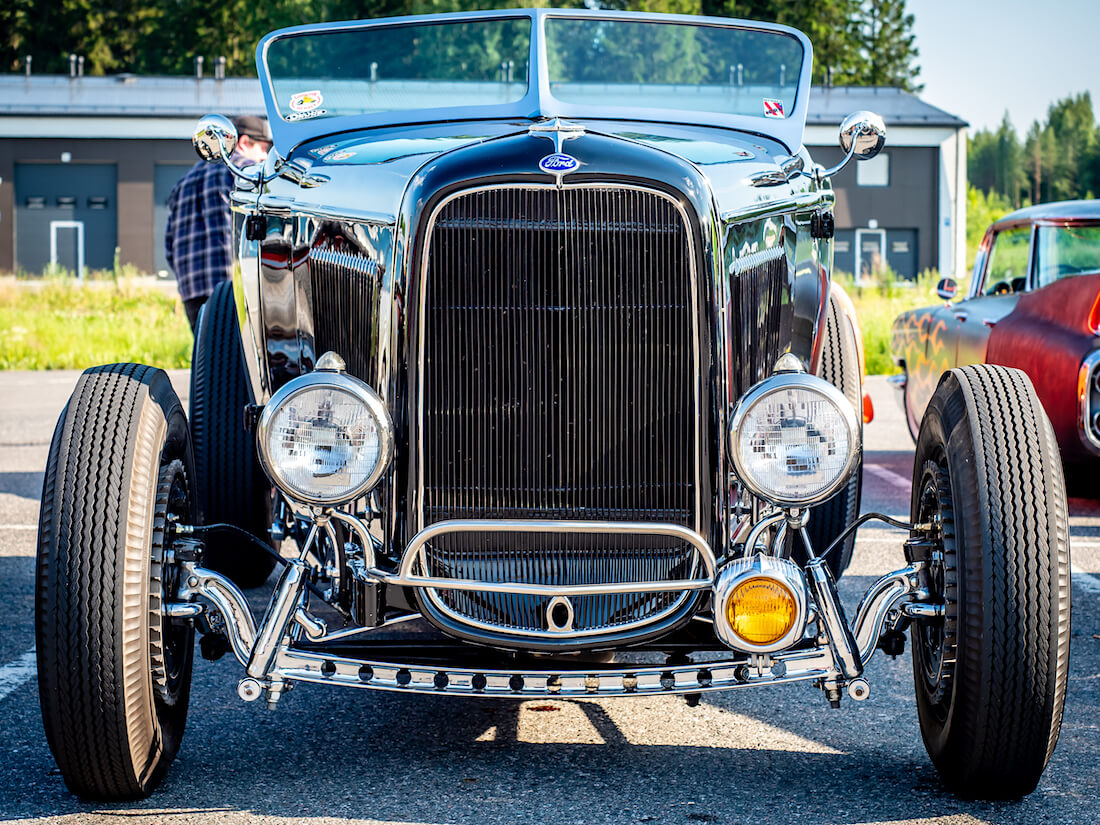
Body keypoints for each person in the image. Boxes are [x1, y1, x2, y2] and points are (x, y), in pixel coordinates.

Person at [165, 115, 271, 331]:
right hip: (233, 289)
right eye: (263, 149)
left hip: (192, 291)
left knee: (208, 362)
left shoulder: (183, 182)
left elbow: (169, 247)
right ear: (243, 143)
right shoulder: (248, 173)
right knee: (243, 362)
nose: (264, 157)